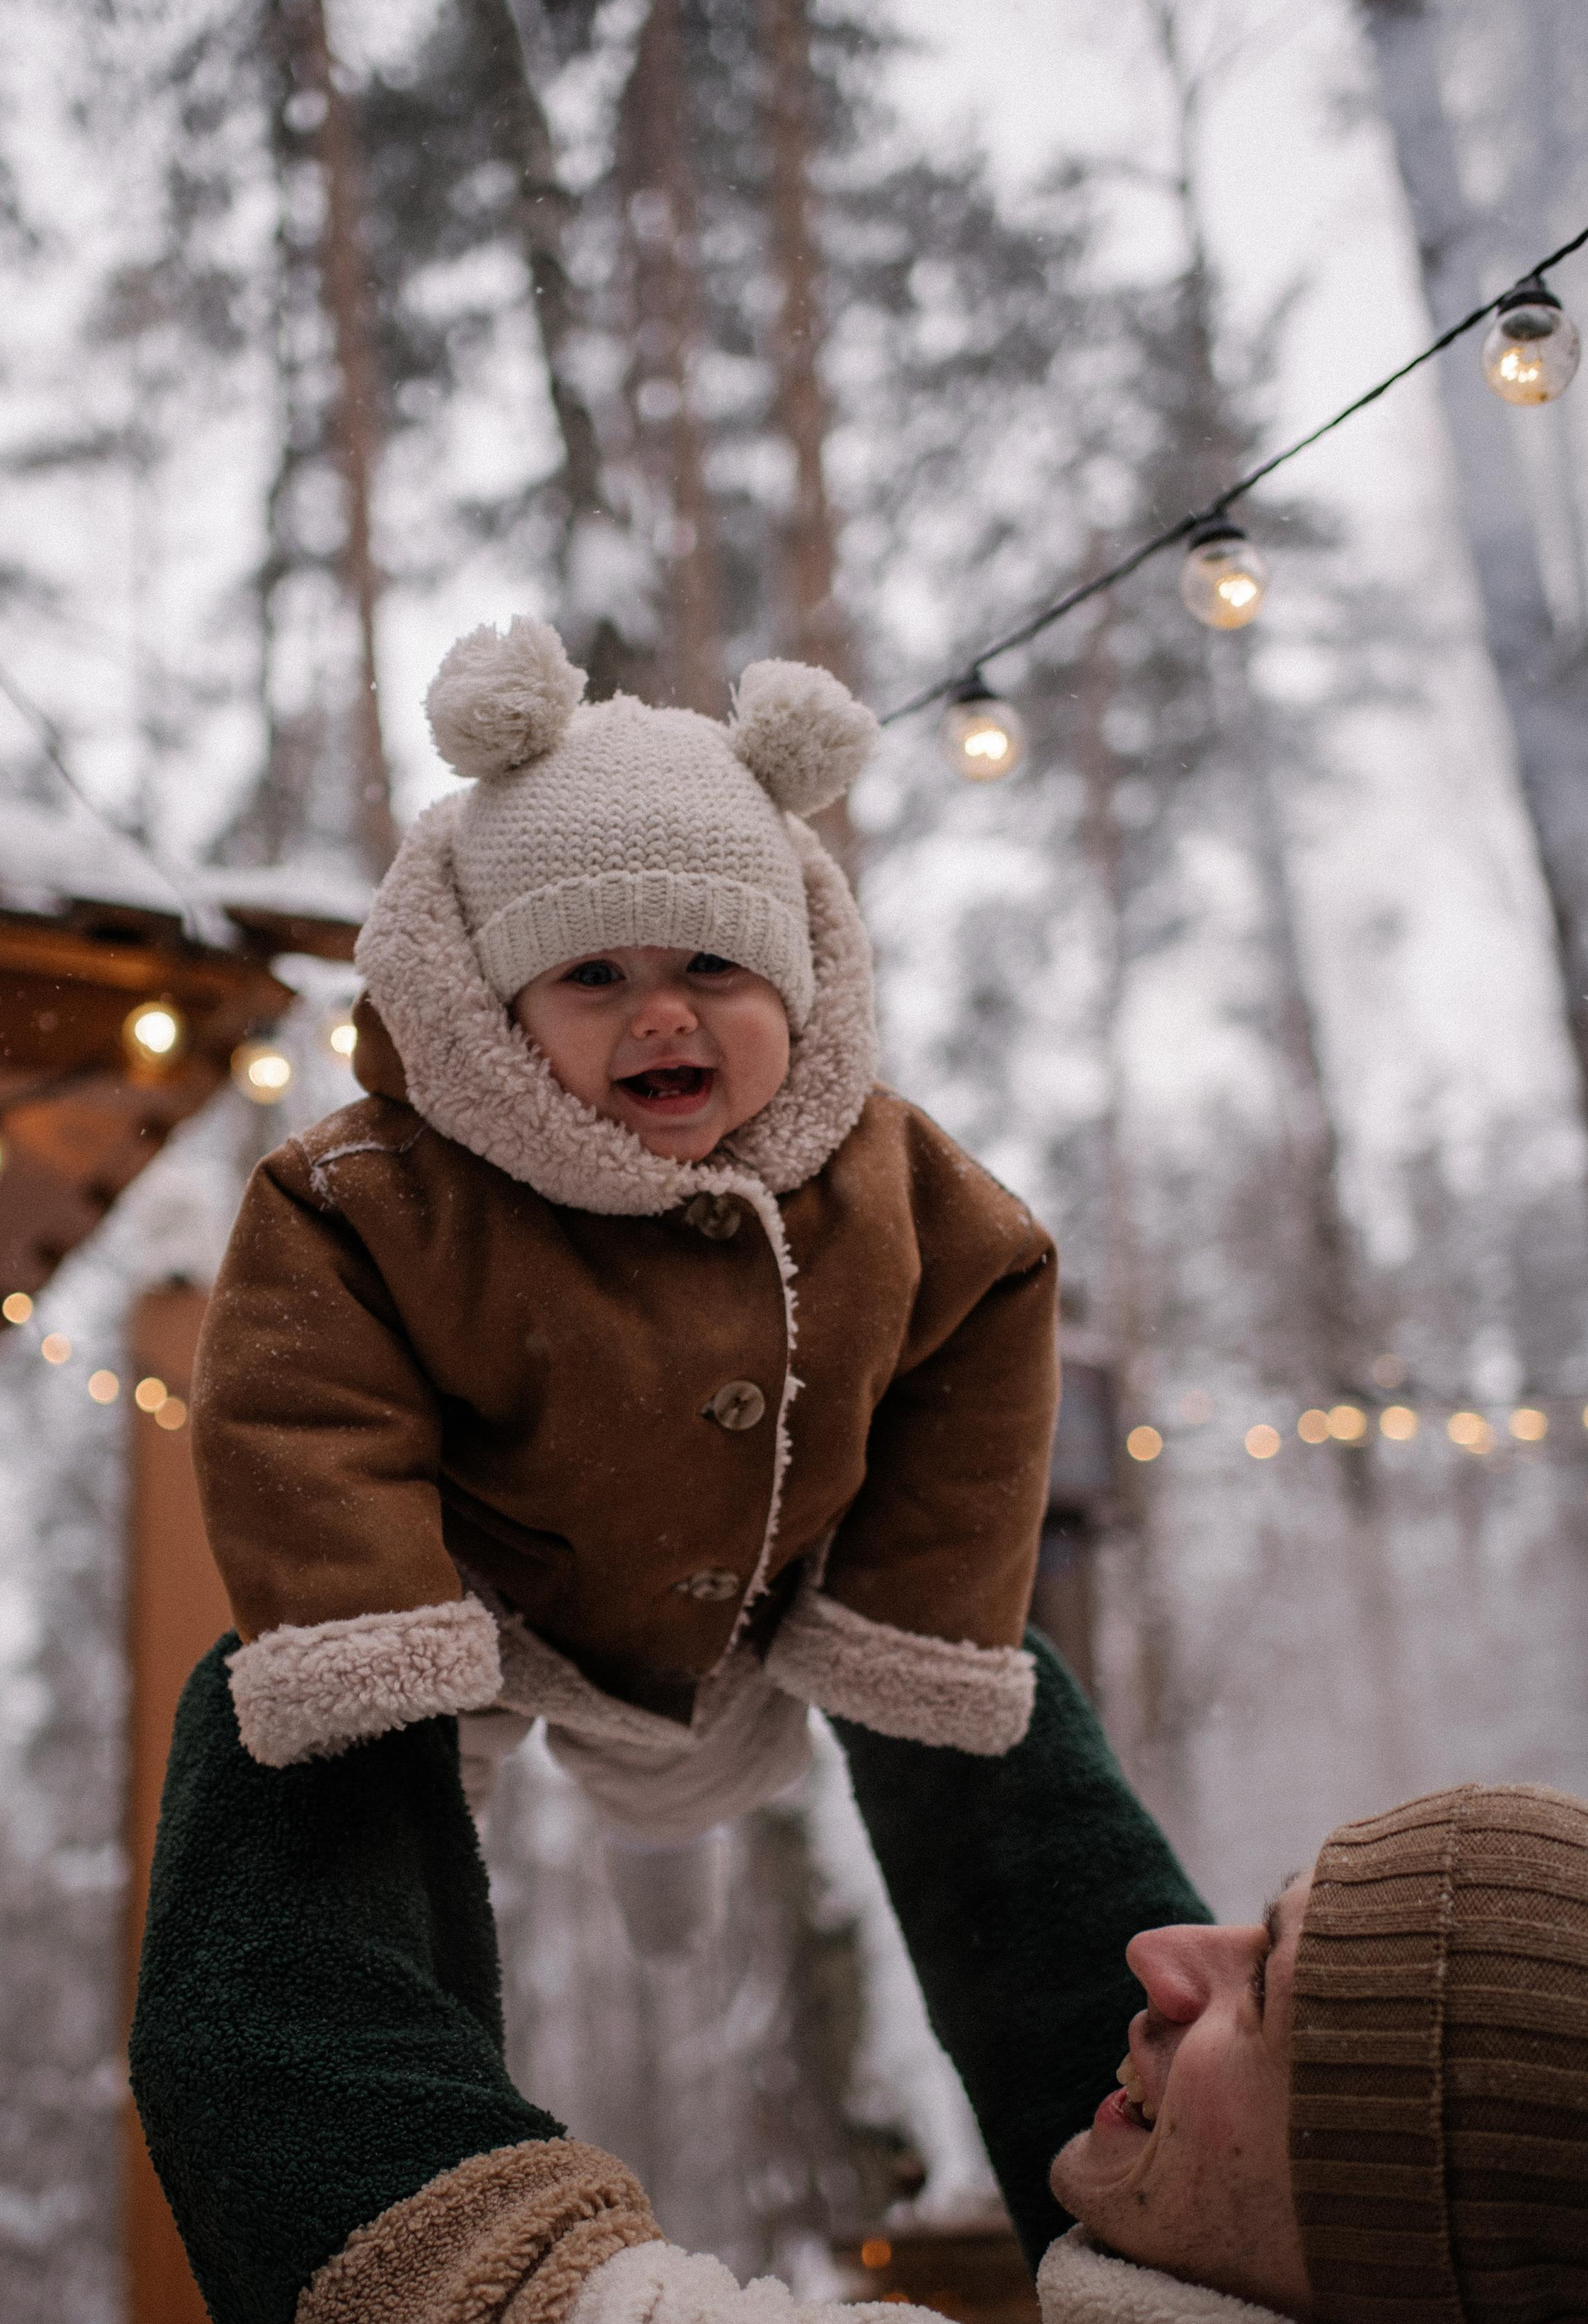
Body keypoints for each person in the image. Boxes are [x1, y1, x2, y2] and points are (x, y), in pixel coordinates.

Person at [127, 1621, 1588, 2324]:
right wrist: (909, 1599)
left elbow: (290, 2062)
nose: (1161, 1958)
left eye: (1257, 1992)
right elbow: (1105, 2029)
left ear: (1371, 2232)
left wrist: (341, 1579)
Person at [187, 616, 1058, 1948]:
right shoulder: (378, 1190)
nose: (662, 1015)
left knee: (685, 1771)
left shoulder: (886, 1178)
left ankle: (661, 1863)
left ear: (798, 980)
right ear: (493, 1009)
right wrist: (370, 1627)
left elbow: (987, 1354)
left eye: (713, 965)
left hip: (733, 1590)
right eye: (594, 975)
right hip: (466, 1575)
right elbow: (298, 1406)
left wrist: (905, 1612)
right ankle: (402, 1950)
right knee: (404, 1788)